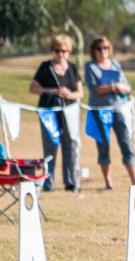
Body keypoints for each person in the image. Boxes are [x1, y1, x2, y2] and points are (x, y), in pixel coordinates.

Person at [28, 34, 82, 192]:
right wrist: (50, 91)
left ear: (69, 51)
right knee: (50, 145)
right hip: (48, 112)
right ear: (52, 51)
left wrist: (69, 95)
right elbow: (33, 88)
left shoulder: (72, 68)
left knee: (70, 145)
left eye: (64, 51)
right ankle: (48, 181)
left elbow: (80, 93)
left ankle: (70, 181)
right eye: (57, 50)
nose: (61, 54)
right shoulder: (45, 67)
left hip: (69, 112)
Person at [83, 37, 135, 190]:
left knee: (126, 144)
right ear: (94, 51)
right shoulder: (90, 67)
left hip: (117, 109)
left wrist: (123, 88)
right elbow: (95, 89)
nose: (103, 52)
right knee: (104, 146)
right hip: (100, 111)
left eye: (106, 48)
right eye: (99, 49)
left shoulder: (115, 64)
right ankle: (108, 182)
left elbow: (128, 87)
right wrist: (114, 86)